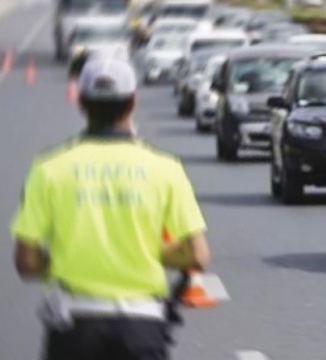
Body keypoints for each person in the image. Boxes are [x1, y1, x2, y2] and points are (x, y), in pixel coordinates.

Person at [11, 56, 211, 360]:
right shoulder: (166, 168)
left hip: (74, 325)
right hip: (143, 325)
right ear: (132, 103)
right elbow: (197, 255)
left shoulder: (49, 168)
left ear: (80, 102)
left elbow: (26, 262)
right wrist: (147, 251)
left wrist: (69, 257)